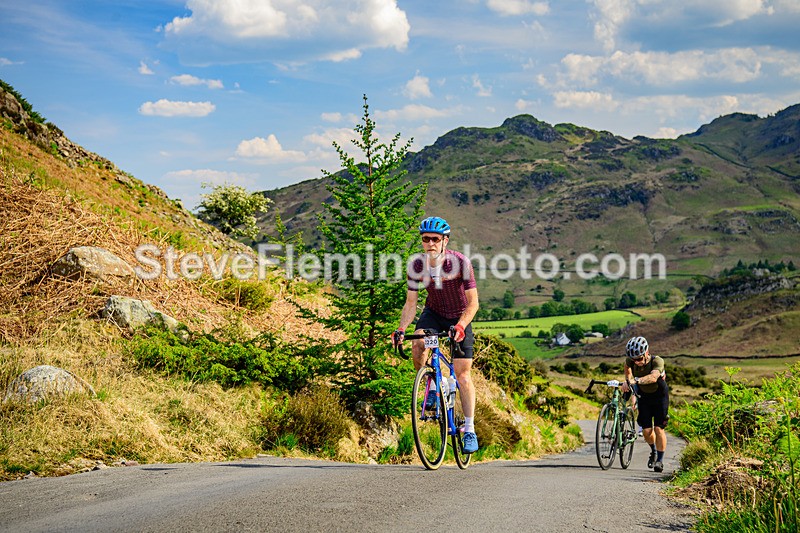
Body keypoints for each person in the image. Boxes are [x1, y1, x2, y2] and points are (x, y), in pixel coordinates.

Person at [392, 216, 480, 453]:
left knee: (462, 376)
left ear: (444, 241)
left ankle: (469, 430)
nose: (430, 243)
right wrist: (401, 329)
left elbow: (473, 304)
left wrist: (461, 326)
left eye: (435, 239)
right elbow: (411, 304)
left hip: (460, 316)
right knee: (418, 343)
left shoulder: (460, 262)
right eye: (425, 239)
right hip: (433, 312)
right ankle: (431, 384)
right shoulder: (417, 265)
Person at [621, 336, 669, 473]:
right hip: (644, 397)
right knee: (647, 431)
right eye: (634, 359)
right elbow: (627, 370)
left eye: (639, 359)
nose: (637, 362)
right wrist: (627, 381)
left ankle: (660, 460)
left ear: (646, 353)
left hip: (660, 396)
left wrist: (635, 381)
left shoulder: (657, 361)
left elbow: (653, 377)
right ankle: (653, 451)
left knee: (659, 429)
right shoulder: (631, 360)